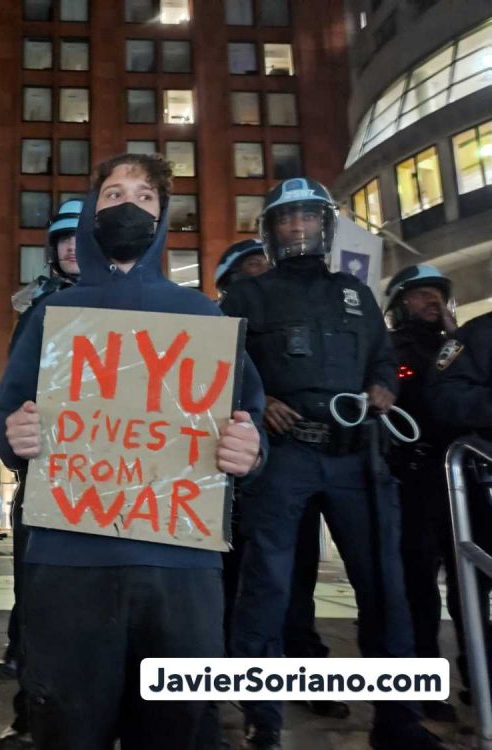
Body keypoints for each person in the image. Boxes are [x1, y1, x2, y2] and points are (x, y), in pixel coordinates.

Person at [0, 153, 266, 750]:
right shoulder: (50, 314)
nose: (128, 205)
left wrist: (251, 448)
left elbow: (250, 419)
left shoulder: (202, 315)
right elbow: (6, 415)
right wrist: (15, 438)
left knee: (179, 729)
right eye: (114, 194)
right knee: (68, 724)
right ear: (93, 213)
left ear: (162, 216)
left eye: (144, 196)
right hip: (69, 563)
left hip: (181, 569)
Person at [223, 178, 443, 750]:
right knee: (266, 587)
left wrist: (380, 387)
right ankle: (261, 719)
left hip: (356, 458)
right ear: (271, 231)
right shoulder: (248, 296)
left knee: (383, 587)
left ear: (325, 225)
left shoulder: (356, 292)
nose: (298, 229)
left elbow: (383, 357)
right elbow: (221, 367)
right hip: (284, 455)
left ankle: (399, 720)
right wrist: (259, 400)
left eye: (307, 219)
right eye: (287, 220)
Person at [216, 239, 343, 719]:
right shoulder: (217, 324)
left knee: (295, 581)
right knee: (234, 585)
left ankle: (303, 670)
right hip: (228, 492)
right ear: (229, 282)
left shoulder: (293, 323)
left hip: (285, 472)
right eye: (251, 269)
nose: (264, 274)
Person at [0, 199, 82, 750]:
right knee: (39, 601)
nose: (72, 247)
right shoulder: (39, 310)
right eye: (62, 239)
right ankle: (33, 711)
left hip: (119, 475)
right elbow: (13, 393)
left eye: (82, 236)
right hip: (49, 476)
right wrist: (17, 442)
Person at [385, 264, 461, 722]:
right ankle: (426, 685)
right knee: (419, 592)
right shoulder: (397, 350)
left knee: (470, 585)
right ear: (401, 305)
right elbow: (423, 394)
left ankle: (480, 675)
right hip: (413, 481)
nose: (432, 302)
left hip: (459, 480)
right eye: (421, 295)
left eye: (438, 294)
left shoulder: (460, 346)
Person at [426, 308, 492, 704]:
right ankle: (482, 675)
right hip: (484, 483)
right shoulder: (477, 336)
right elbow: (444, 397)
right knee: (476, 586)